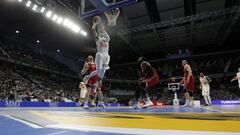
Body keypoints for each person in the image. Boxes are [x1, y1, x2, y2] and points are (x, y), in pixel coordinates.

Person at [83, 16, 110, 84]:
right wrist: (94, 23)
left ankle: (98, 80)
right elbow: (93, 30)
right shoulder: (98, 39)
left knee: (104, 69)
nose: (100, 34)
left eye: (101, 34)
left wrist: (102, 29)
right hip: (99, 55)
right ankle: (87, 77)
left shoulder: (107, 39)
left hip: (106, 56)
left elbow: (104, 32)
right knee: (98, 71)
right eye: (100, 34)